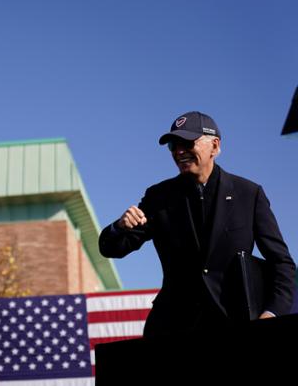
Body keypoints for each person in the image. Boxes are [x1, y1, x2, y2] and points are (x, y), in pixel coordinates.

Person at [98, 111, 295, 338]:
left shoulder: (249, 194)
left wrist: (271, 313)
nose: (179, 151)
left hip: (234, 323)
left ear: (215, 146)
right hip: (173, 327)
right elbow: (112, 248)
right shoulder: (158, 197)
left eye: (187, 143)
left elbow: (282, 263)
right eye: (173, 145)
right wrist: (119, 227)